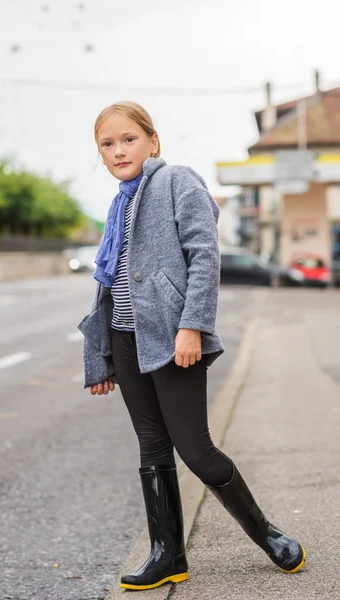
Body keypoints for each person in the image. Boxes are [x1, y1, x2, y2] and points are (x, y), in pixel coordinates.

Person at [78, 101, 306, 591]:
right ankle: (168, 555)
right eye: (108, 144)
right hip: (125, 339)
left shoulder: (177, 181)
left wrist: (193, 326)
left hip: (171, 335)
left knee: (195, 449)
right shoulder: (120, 204)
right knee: (152, 446)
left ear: (153, 141)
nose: (119, 150)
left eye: (129, 139)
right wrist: (100, 358)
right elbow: (106, 287)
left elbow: (204, 256)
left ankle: (267, 534)